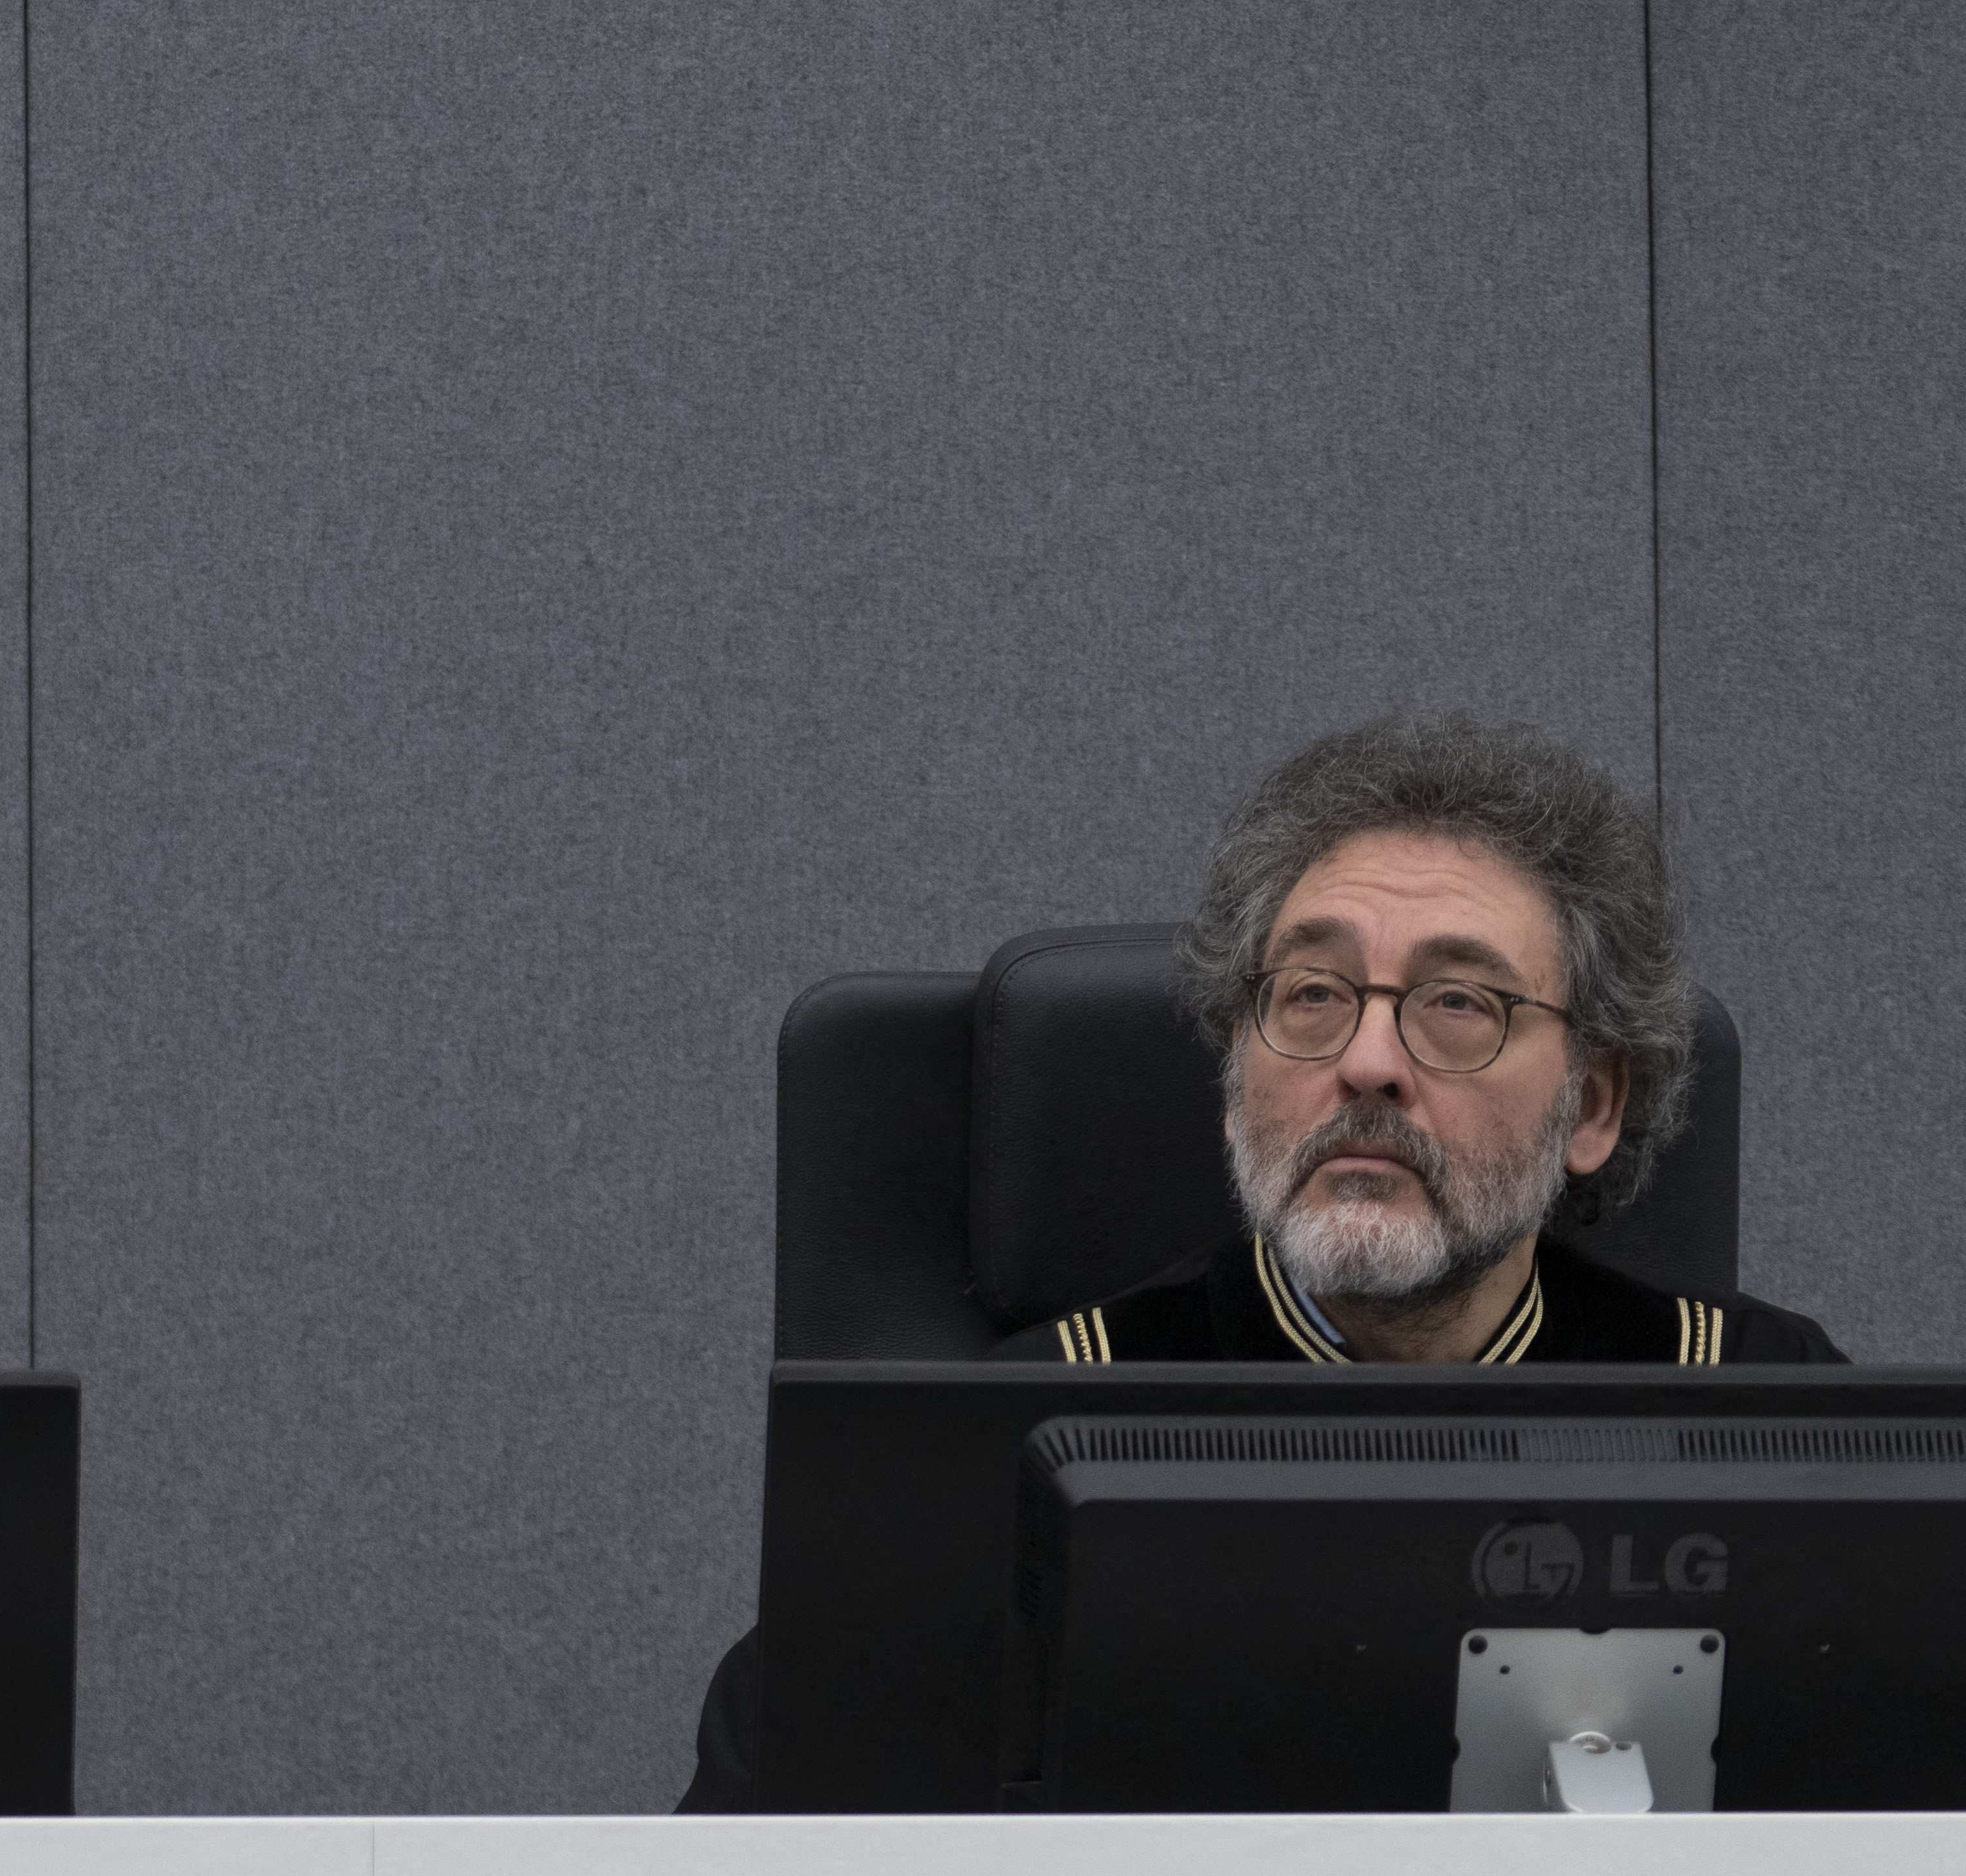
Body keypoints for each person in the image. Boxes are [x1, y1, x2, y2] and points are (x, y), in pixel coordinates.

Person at [681, 714, 1830, 1808]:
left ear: (1592, 1103)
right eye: (1315, 994)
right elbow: (761, 1844)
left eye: (1458, 1004)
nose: (1369, 1060)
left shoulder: (1762, 1409)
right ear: (1239, 1065)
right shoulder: (1021, 1439)